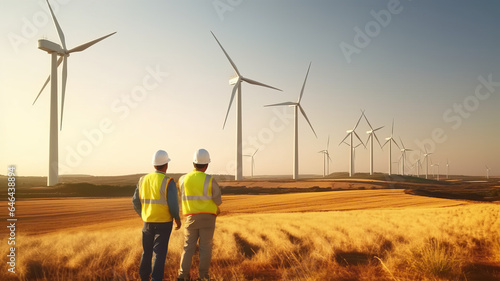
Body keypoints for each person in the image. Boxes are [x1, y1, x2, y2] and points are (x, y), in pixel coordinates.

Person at [133, 149, 182, 281]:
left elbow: (135, 201)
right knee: (159, 253)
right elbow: (173, 204)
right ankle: (156, 279)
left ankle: (143, 277)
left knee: (146, 251)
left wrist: (144, 215)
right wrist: (177, 218)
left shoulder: (142, 180)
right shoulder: (168, 181)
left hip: (147, 222)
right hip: (164, 223)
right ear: (166, 165)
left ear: (154, 164)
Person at [177, 149, 222, 281]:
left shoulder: (182, 179)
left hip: (191, 217)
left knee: (188, 247)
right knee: (205, 248)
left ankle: (182, 275)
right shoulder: (210, 180)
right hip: (208, 218)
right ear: (207, 164)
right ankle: (203, 277)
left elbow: (181, 196)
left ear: (193, 163)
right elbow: (218, 200)